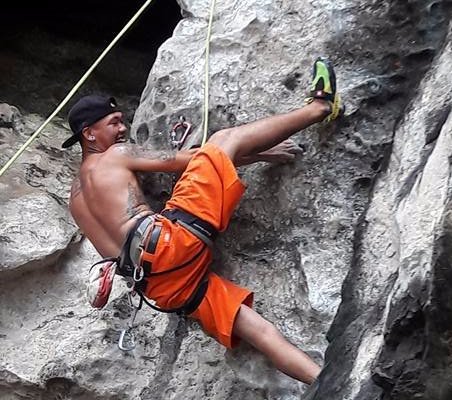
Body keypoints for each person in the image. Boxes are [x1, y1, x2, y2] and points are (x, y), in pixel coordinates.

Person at [65, 58, 342, 385]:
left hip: (161, 287)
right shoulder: (116, 155)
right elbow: (200, 157)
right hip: (172, 244)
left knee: (257, 330)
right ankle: (320, 107)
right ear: (89, 134)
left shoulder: (76, 201)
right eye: (114, 122)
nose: (123, 129)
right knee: (223, 139)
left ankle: (332, 386)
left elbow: (115, 252)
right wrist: (260, 152)